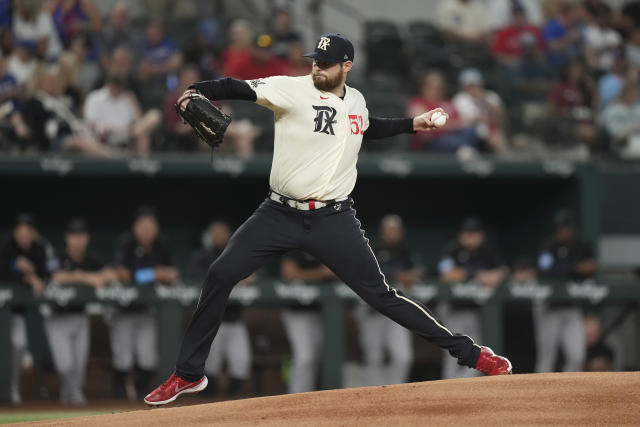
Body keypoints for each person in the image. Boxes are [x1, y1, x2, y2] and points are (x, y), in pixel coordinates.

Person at [145, 33, 512, 406]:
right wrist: (193, 89)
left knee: (383, 296)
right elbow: (233, 87)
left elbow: (367, 126)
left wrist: (412, 123)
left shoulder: (356, 100)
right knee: (220, 273)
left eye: (325, 63)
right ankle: (188, 374)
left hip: (333, 218)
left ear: (346, 66)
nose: (316, 67)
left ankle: (472, 354)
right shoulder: (290, 88)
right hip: (277, 213)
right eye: (314, 60)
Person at [45, 218, 116, 405]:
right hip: (57, 317)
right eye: (74, 236)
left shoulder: (92, 259)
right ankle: (70, 394)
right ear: (67, 238)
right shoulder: (58, 258)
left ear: (87, 238)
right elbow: (56, 276)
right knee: (65, 364)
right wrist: (84, 277)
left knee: (78, 365)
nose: (78, 240)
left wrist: (97, 277)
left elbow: (110, 274)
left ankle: (73, 398)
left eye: (81, 236)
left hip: (80, 316)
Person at [110, 206, 179, 400]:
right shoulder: (126, 244)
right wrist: (153, 274)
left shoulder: (161, 245)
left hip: (146, 310)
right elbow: (122, 274)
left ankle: (141, 392)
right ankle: (118, 395)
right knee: (123, 358)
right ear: (135, 228)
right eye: (144, 227)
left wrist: (163, 274)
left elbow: (173, 273)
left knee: (148, 358)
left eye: (151, 227)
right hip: (124, 308)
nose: (148, 231)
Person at [186, 221, 253, 398]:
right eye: (216, 233)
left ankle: (233, 403)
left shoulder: (238, 253)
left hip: (235, 318)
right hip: (211, 320)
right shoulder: (202, 256)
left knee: (241, 362)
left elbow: (256, 274)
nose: (220, 237)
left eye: (223, 233)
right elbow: (195, 279)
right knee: (210, 365)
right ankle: (209, 408)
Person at [437, 217, 508, 379]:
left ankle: (465, 394)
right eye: (467, 233)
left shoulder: (487, 251)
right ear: (461, 235)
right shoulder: (453, 250)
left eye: (474, 233)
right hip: (453, 310)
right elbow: (446, 275)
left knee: (476, 355)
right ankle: (446, 394)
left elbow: (503, 270)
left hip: (476, 311)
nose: (471, 237)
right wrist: (477, 275)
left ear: (481, 235)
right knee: (452, 356)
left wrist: (495, 275)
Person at [356, 214, 421, 386]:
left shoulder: (407, 251)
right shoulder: (373, 249)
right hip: (373, 309)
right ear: (382, 232)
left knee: (403, 356)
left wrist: (412, 275)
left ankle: (395, 393)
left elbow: (418, 271)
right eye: (389, 230)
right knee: (373, 356)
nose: (392, 233)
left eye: (395, 230)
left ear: (401, 232)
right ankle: (372, 395)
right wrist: (396, 275)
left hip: (397, 309)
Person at [0, 213, 57, 404]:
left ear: (34, 233)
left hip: (20, 312)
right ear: (15, 232)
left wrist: (31, 274)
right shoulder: (6, 246)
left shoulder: (40, 248)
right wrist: (19, 271)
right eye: (20, 231)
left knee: (19, 343)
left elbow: (47, 275)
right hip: (3, 307)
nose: (24, 235)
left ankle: (13, 388)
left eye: (28, 231)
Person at [535, 209, 597, 373]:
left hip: (572, 306)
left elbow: (592, 269)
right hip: (549, 307)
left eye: (566, 227)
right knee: (547, 357)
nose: (564, 231)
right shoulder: (549, 246)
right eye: (560, 228)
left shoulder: (582, 246)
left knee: (577, 356)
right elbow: (544, 271)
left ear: (572, 228)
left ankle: (568, 392)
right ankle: (538, 395)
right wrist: (575, 268)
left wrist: (568, 268)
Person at [280, 250, 336, 393]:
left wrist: (313, 274)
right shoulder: (296, 250)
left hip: (319, 312)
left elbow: (334, 272)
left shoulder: (324, 249)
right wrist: (320, 273)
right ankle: (293, 397)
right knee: (304, 357)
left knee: (315, 358)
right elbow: (289, 273)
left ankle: (307, 397)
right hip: (297, 312)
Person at [406, 70, 478, 152]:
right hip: (431, 142)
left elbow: (462, 121)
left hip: (454, 137)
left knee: (471, 131)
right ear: (423, 88)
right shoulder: (417, 103)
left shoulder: (448, 103)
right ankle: (465, 151)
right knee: (448, 142)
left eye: (439, 88)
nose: (436, 91)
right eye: (433, 87)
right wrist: (454, 125)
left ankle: (466, 150)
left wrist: (454, 125)